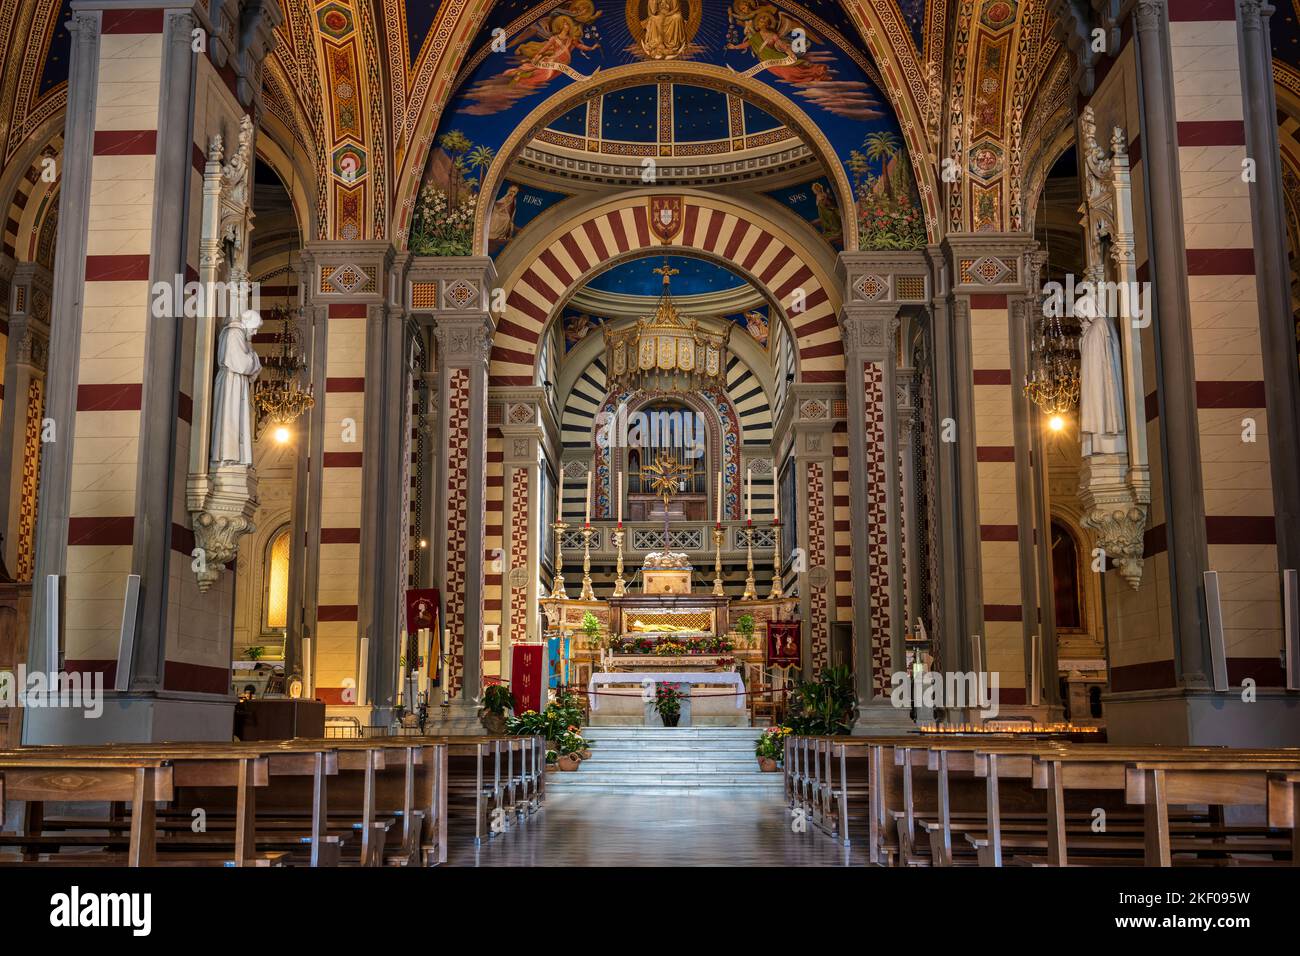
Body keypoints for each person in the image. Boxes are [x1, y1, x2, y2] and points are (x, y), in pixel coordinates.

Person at [210, 309, 262, 465]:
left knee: (235, 417)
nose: (255, 333)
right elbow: (242, 364)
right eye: (255, 328)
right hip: (231, 381)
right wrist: (254, 358)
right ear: (247, 323)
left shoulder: (238, 334)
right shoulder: (235, 333)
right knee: (230, 417)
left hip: (235, 381)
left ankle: (234, 456)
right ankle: (228, 455)